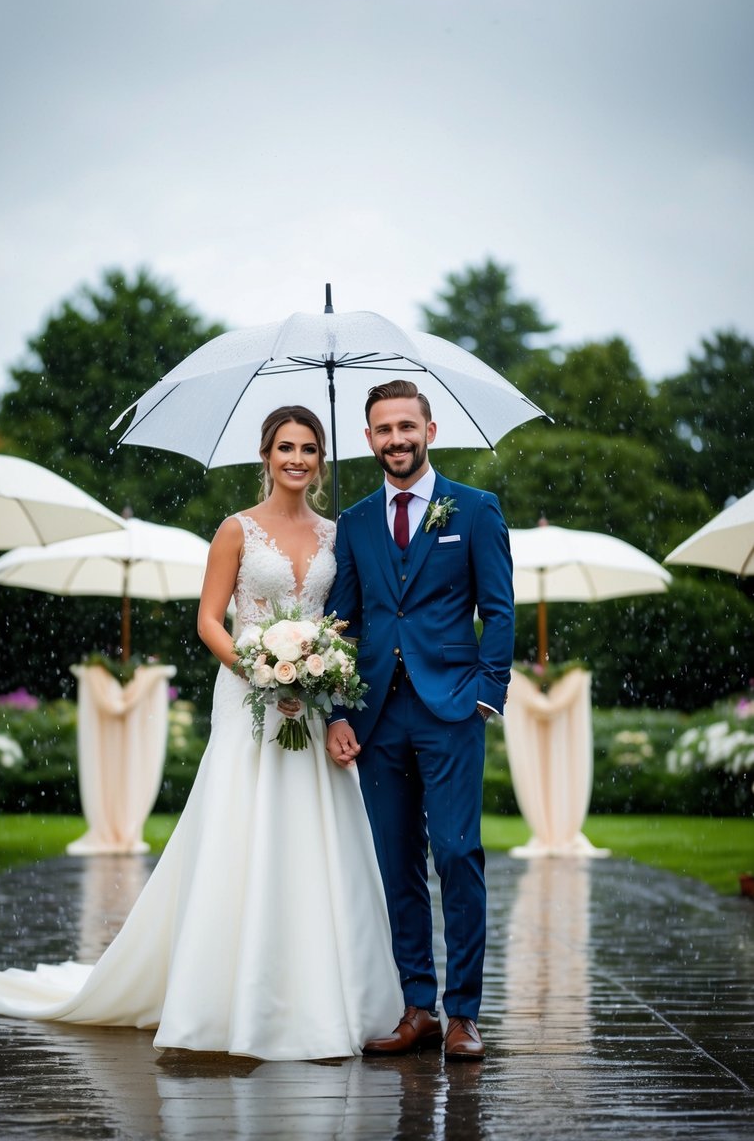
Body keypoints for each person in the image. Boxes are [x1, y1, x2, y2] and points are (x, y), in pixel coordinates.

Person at [0, 405, 402, 1060]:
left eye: (307, 448)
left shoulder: (339, 535)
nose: (296, 458)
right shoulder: (235, 531)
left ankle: (326, 992)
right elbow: (209, 620)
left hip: (317, 697)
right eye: (284, 447)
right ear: (265, 457)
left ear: (320, 460)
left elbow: (345, 620)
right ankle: (224, 992)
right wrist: (263, 667)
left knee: (316, 829)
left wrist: (316, 666)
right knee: (244, 824)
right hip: (248, 694)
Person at [325, 379, 515, 1062]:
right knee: (394, 864)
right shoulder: (353, 523)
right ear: (369, 438)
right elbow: (342, 624)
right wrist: (337, 712)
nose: (396, 440)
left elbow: (498, 609)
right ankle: (417, 1007)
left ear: (429, 431)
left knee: (458, 855)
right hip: (376, 716)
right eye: (383, 429)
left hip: (452, 709)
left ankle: (463, 1013)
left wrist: (487, 692)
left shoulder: (475, 508)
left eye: (407, 426)